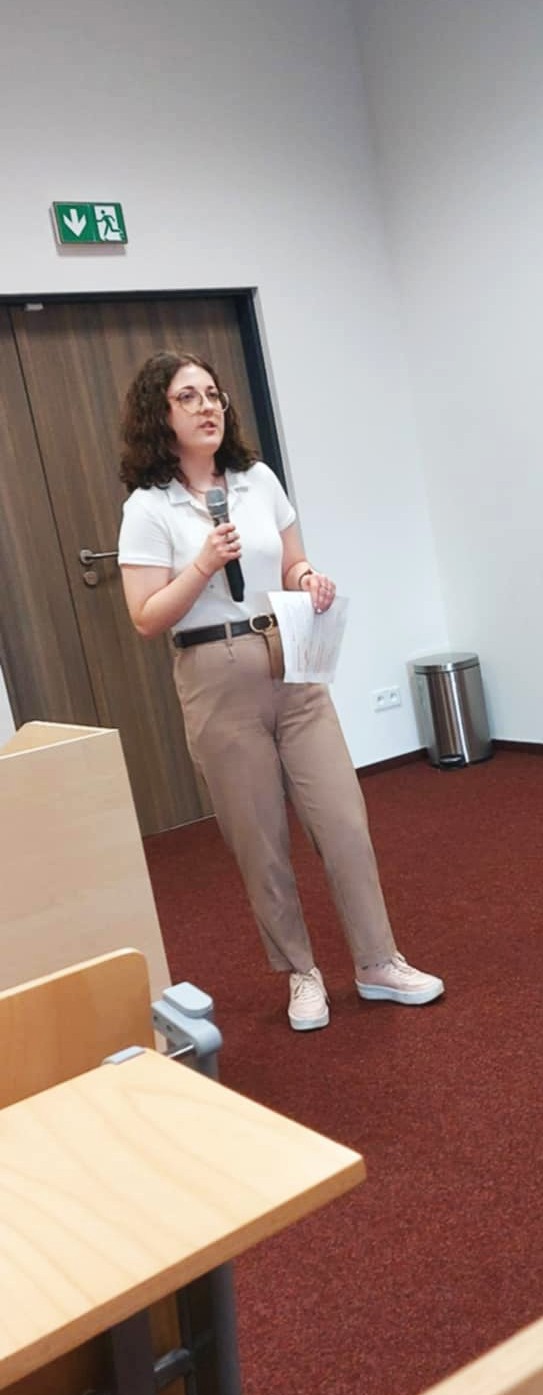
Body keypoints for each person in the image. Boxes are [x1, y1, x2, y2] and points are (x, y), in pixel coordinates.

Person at [117, 350, 443, 1030]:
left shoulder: (257, 479)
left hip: (291, 657)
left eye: (213, 394)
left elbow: (292, 561)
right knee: (260, 840)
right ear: (160, 415)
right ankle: (301, 972)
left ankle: (378, 961)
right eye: (188, 397)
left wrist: (308, 579)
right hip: (215, 676)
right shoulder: (148, 508)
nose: (207, 407)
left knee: (344, 821)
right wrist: (202, 564)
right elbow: (145, 618)